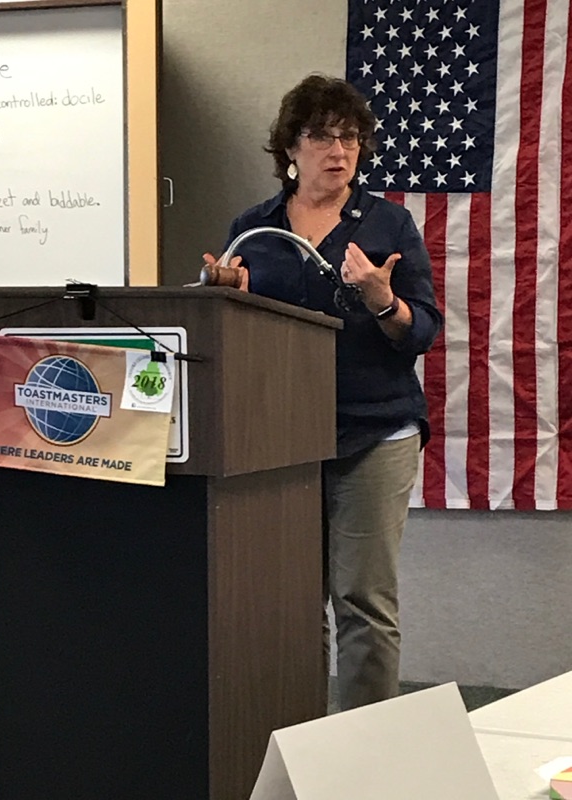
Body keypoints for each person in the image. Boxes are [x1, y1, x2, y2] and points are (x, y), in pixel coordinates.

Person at [203, 74, 443, 711]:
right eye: (322, 137)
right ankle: (298, 738)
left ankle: (365, 752)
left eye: (351, 138)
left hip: (373, 431)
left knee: (363, 600)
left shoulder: (389, 224)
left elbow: (422, 331)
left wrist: (382, 300)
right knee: (290, 602)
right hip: (279, 437)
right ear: (291, 148)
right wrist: (227, 294)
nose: (339, 151)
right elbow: (233, 332)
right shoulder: (252, 229)